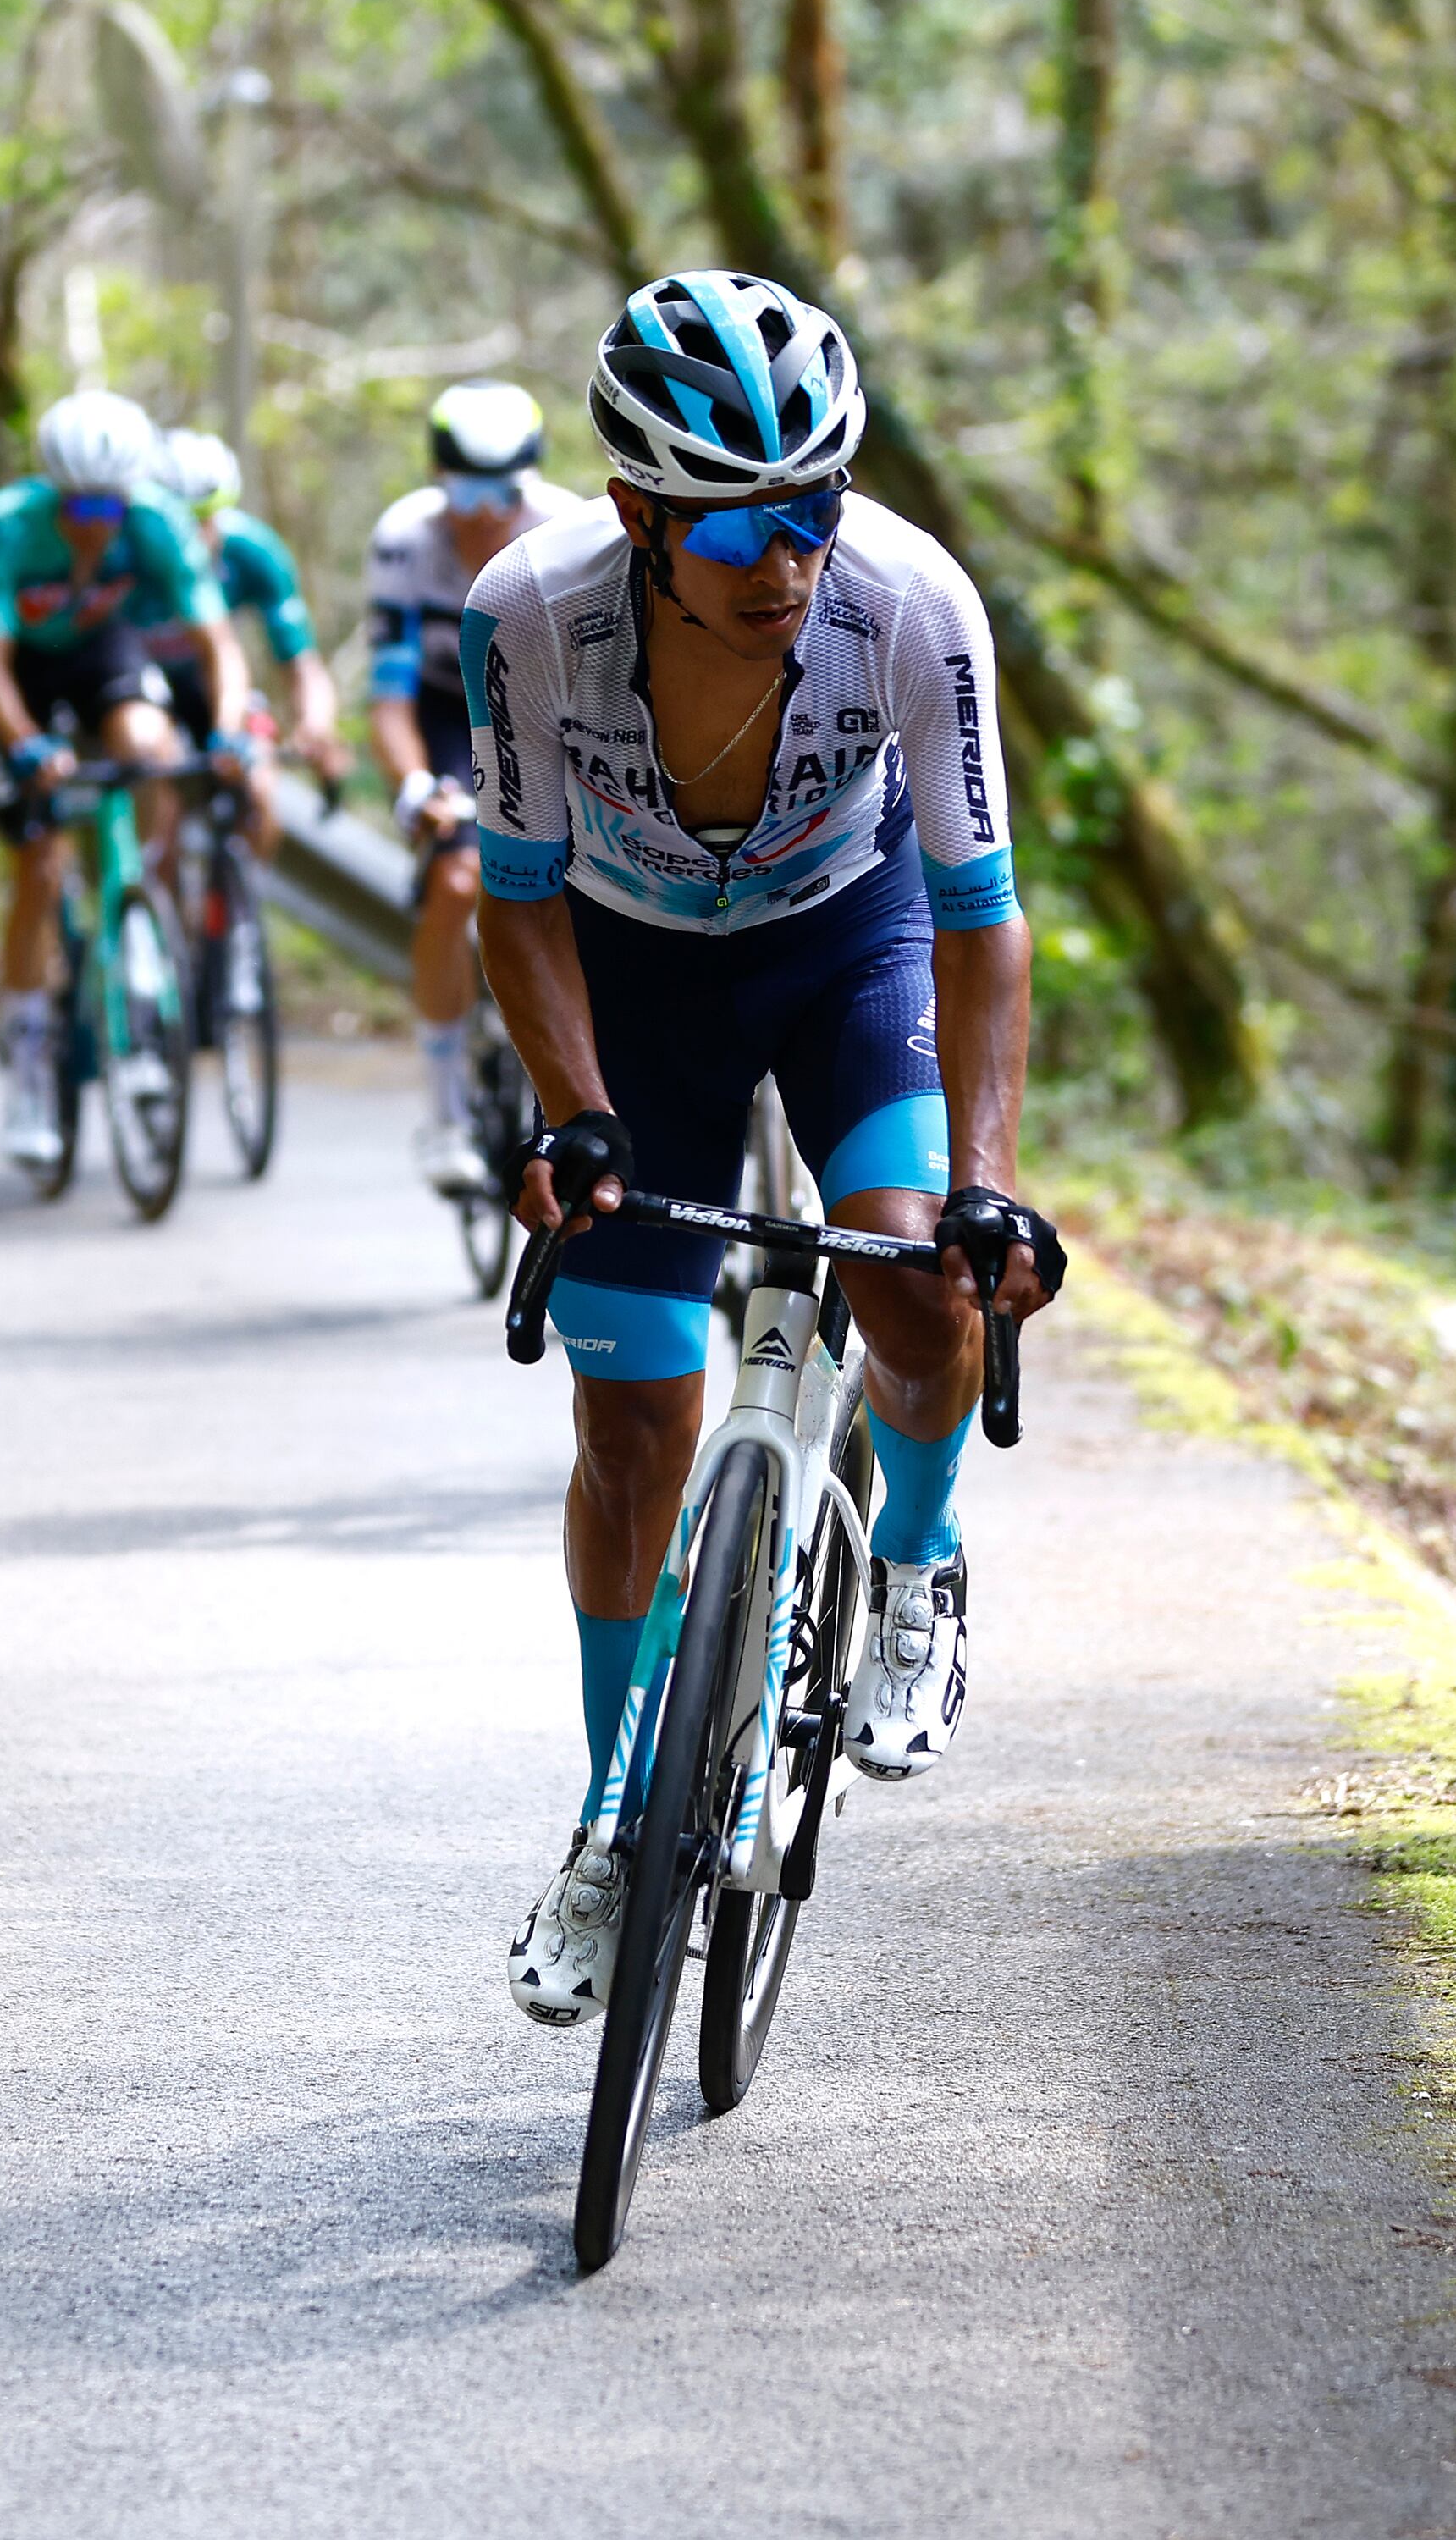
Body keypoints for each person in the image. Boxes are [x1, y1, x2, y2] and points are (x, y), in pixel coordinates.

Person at [477, 272, 1066, 2026]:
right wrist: (574, 1113)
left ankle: (917, 1562)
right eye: (739, 531)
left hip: (848, 943)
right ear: (636, 517)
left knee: (912, 1276)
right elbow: (511, 903)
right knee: (635, 1418)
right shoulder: (528, 616)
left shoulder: (911, 604)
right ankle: (604, 1824)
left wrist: (989, 1173)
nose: (787, 563)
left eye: (814, 510)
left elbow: (982, 915)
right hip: (630, 967)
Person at [0, 392, 254, 1168]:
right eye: (81, 503)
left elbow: (217, 640)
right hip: (19, 672)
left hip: (102, 654)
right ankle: (26, 1060)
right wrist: (25, 744)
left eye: (111, 504)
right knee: (40, 863)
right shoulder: (9, 524)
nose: (97, 520)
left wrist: (226, 726)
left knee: (149, 744)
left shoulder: (155, 520)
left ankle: (139, 902)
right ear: (55, 490)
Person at [365, 382, 587, 1195]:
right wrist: (417, 785)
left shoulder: (565, 528)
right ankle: (446, 1110)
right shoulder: (404, 541)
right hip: (446, 713)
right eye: (466, 489)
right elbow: (388, 700)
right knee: (458, 877)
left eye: (506, 490)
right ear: (436, 476)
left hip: (543, 704)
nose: (486, 511)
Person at [150, 426, 347, 838]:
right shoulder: (129, 553)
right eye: (179, 523)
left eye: (206, 517)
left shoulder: (254, 551)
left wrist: (315, 723)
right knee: (158, 806)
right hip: (143, 688)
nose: (196, 537)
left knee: (259, 795)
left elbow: (300, 663)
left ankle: (242, 893)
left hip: (212, 687)